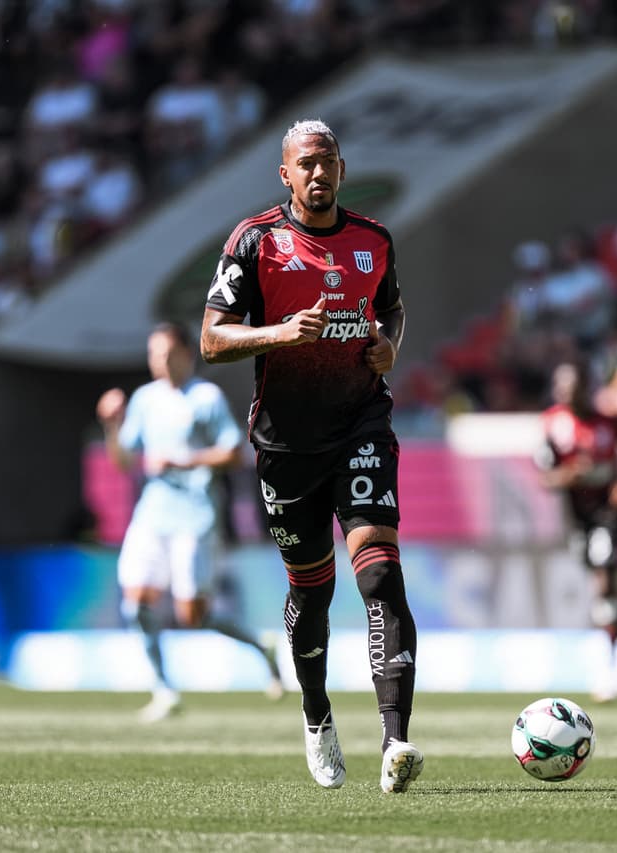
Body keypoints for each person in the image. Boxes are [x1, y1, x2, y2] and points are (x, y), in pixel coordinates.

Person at [199, 119, 421, 793]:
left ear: (342, 169)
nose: (318, 172)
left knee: (380, 574)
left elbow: (392, 310)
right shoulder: (255, 241)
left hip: (361, 423)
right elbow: (211, 339)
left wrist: (389, 344)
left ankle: (396, 740)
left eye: (327, 161)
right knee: (312, 592)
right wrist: (282, 334)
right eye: (306, 164)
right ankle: (316, 712)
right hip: (286, 444)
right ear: (286, 175)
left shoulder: (373, 240)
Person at [96, 322, 283, 723]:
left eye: (165, 354)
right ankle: (163, 689)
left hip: (195, 516)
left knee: (192, 616)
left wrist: (184, 460)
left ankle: (260, 646)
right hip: (152, 514)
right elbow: (124, 461)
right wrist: (111, 424)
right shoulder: (145, 399)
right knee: (136, 602)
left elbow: (234, 453)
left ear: (185, 354)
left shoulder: (205, 397)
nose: (158, 362)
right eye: (153, 355)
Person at [536, 362, 617, 707]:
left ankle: (608, 667)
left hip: (610, 516)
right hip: (579, 519)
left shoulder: (612, 422)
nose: (565, 396)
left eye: (571, 389)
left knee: (604, 586)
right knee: (610, 596)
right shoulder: (553, 425)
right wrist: (570, 475)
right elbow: (546, 477)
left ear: (586, 388)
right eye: (560, 390)